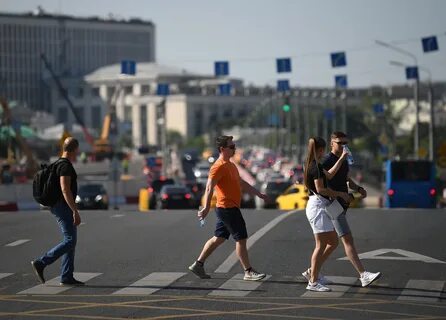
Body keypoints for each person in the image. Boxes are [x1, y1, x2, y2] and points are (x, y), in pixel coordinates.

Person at [189, 135, 268, 281]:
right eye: (231, 147)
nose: (234, 149)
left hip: (229, 207)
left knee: (219, 238)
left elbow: (241, 183)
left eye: (234, 147)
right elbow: (209, 187)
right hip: (227, 208)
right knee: (241, 238)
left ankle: (198, 264)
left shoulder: (231, 165)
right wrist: (206, 208)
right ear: (222, 149)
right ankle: (248, 271)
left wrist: (258, 194)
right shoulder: (218, 167)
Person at [320, 131, 381, 287]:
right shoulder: (327, 160)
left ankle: (311, 270)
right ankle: (363, 275)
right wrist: (341, 159)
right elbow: (326, 178)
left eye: (345, 143)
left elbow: (346, 178)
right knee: (348, 240)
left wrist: (358, 188)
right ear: (331, 143)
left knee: (330, 244)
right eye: (339, 143)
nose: (342, 146)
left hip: (341, 205)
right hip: (332, 205)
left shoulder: (345, 159)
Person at [31, 137, 84, 286]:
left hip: (59, 205)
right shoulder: (65, 166)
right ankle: (41, 263)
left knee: (70, 241)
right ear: (75, 150)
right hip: (62, 206)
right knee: (70, 240)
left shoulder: (57, 164)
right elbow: (65, 189)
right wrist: (75, 210)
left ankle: (67, 276)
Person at [303, 137, 351, 292]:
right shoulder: (315, 166)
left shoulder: (314, 164)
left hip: (321, 205)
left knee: (333, 242)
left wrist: (342, 158)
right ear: (321, 150)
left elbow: (329, 175)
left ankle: (313, 272)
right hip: (317, 207)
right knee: (321, 244)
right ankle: (313, 282)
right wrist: (340, 194)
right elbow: (321, 189)